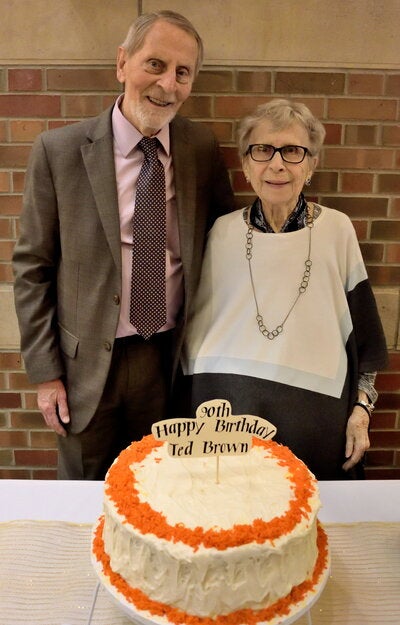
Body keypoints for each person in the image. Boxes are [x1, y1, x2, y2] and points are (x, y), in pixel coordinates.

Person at [12, 10, 234, 479]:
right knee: (85, 496)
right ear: (122, 63)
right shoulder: (59, 152)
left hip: (167, 361)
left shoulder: (200, 150)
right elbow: (32, 267)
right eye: (155, 64)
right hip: (86, 369)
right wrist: (46, 374)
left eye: (182, 72)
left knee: (162, 490)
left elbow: (223, 248)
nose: (167, 85)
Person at [181, 99, 387, 480]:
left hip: (314, 420)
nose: (277, 164)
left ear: (311, 165)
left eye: (292, 151)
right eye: (262, 150)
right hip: (228, 413)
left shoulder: (336, 231)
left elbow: (367, 345)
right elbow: (193, 336)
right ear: (245, 164)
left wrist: (361, 412)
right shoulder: (221, 233)